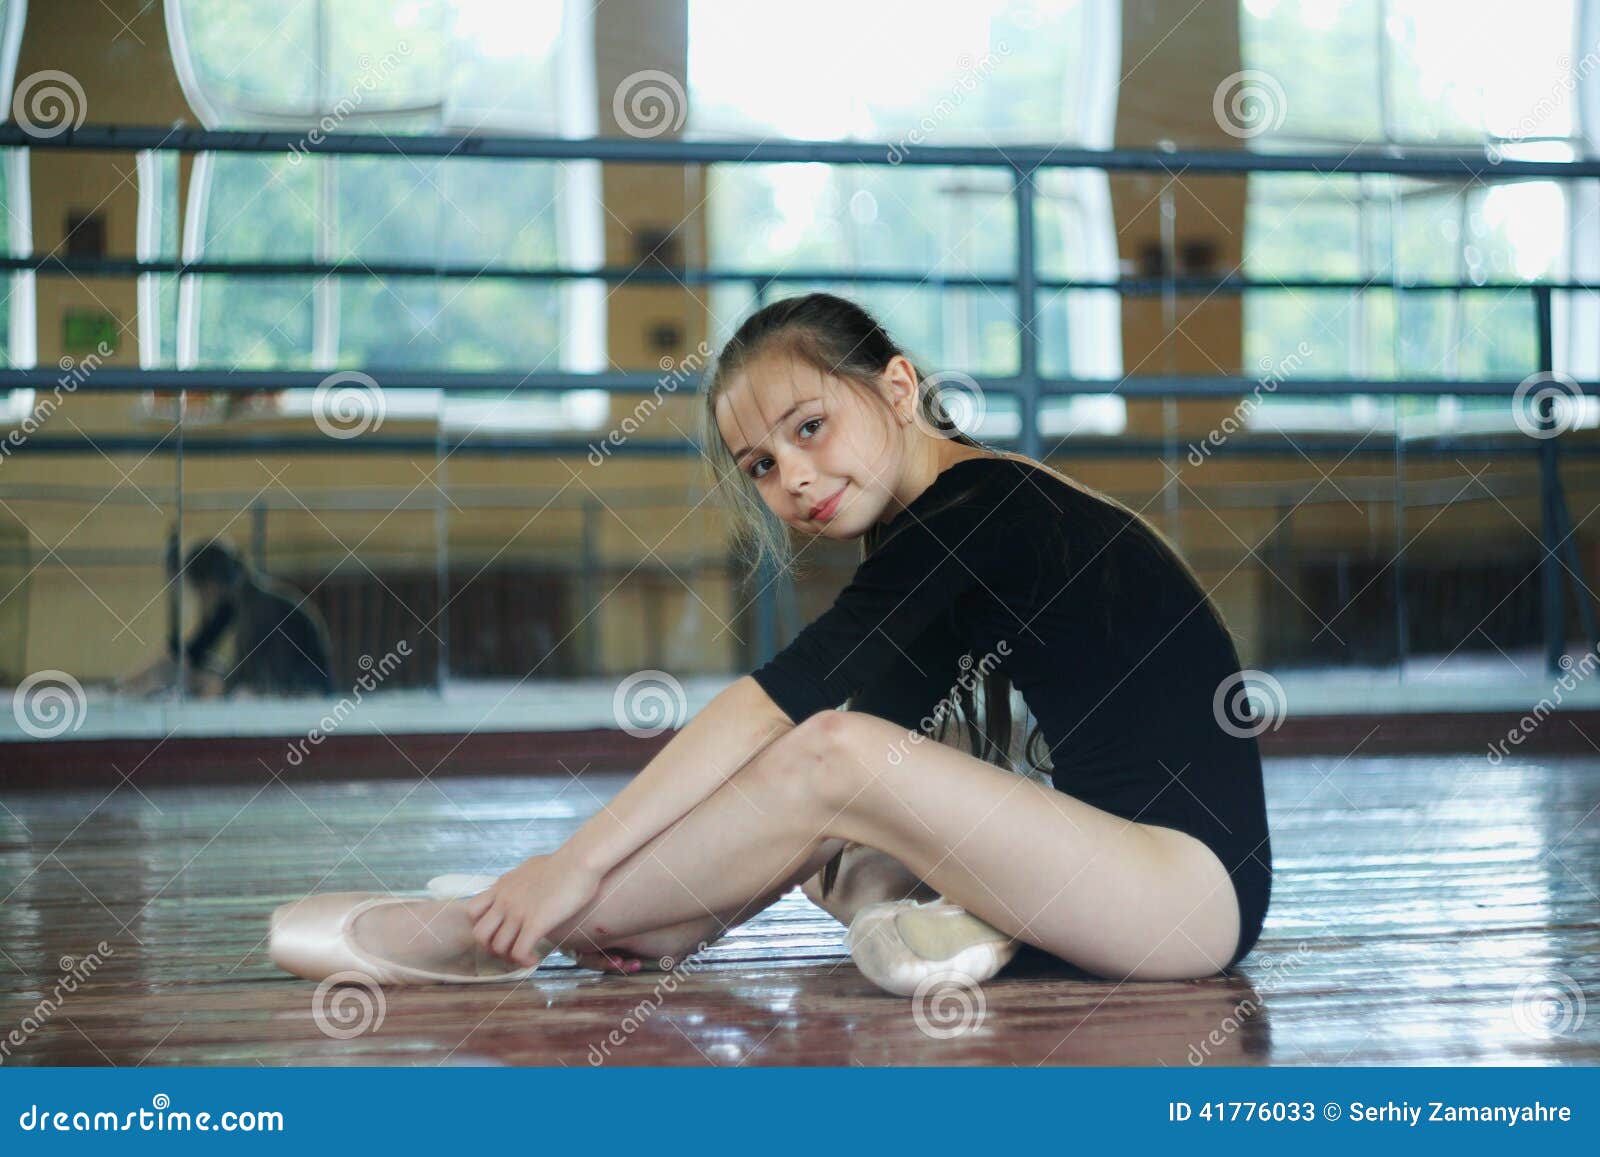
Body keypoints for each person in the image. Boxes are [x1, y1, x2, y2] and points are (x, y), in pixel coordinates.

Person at [451, 292, 1273, 995]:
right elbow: (813, 809)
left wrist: (573, 865)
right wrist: (684, 920)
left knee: (832, 750)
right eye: (761, 465)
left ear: (899, 387)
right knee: (832, 818)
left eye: (810, 426)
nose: (794, 476)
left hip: (1182, 893)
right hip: (1144, 885)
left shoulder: (979, 506)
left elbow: (782, 711)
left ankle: (496, 922)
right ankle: (586, 915)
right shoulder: (940, 522)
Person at [118, 535, 335, 700]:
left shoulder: (259, 608)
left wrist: (204, 683)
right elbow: (196, 648)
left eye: (200, 592)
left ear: (210, 586)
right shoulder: (237, 601)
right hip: (289, 691)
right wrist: (135, 681)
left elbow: (245, 679)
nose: (202, 602)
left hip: (306, 697)